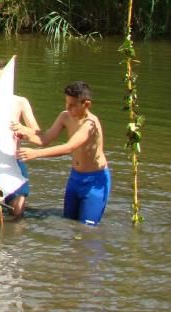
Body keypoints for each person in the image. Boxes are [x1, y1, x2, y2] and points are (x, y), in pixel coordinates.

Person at [13, 80, 110, 225]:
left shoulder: (90, 124)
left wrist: (36, 154)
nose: (68, 108)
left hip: (95, 180)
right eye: (66, 103)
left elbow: (69, 147)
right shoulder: (65, 116)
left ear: (86, 104)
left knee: (87, 228)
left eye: (73, 105)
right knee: (69, 223)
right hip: (75, 178)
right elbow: (45, 139)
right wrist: (27, 135)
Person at [0, 60, 39, 218]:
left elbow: (36, 132)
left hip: (14, 160)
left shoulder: (20, 102)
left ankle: (14, 240)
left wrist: (22, 130)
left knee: (18, 212)